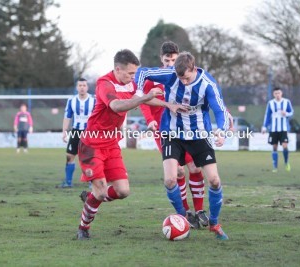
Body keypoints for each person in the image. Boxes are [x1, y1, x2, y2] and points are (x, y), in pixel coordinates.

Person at [76, 49, 182, 240]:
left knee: (122, 191)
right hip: (92, 144)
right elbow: (116, 106)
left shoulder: (131, 84)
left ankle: (92, 197)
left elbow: (147, 99)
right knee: (100, 189)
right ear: (118, 69)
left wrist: (168, 105)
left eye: (135, 73)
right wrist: (145, 97)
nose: (134, 77)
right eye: (131, 73)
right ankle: (83, 227)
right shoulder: (104, 84)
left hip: (112, 144)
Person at [135, 51, 231, 240]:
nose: (184, 82)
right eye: (180, 78)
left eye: (186, 78)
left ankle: (214, 223)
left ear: (193, 69)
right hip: (172, 133)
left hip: (199, 135)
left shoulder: (207, 84)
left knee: (214, 180)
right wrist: (140, 93)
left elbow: (220, 109)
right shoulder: (171, 75)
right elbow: (143, 72)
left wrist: (221, 130)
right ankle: (184, 216)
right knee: (171, 179)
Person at [139, 41, 208, 229]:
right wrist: (150, 120)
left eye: (174, 59)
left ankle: (200, 210)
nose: (170, 63)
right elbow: (143, 101)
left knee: (194, 167)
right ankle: (185, 212)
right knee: (177, 171)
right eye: (167, 59)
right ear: (161, 59)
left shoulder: (183, 76)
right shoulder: (155, 78)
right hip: (164, 131)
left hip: (185, 128)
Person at [60, 78, 95, 188]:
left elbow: (99, 117)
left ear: (87, 87)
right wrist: (64, 131)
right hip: (75, 131)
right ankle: (68, 182)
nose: (82, 87)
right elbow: (67, 116)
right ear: (77, 87)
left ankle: (92, 182)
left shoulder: (94, 100)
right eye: (80, 85)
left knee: (89, 157)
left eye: (84, 85)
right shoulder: (71, 100)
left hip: (89, 132)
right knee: (69, 156)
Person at [261, 87, 294, 172]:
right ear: (273, 94)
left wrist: (286, 113)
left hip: (283, 129)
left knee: (285, 146)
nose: (277, 95)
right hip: (273, 129)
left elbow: (291, 113)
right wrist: (264, 127)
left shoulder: (286, 102)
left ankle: (286, 163)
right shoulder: (270, 103)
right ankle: (275, 167)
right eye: (275, 93)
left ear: (281, 93)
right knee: (274, 147)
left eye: (278, 93)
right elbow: (267, 115)